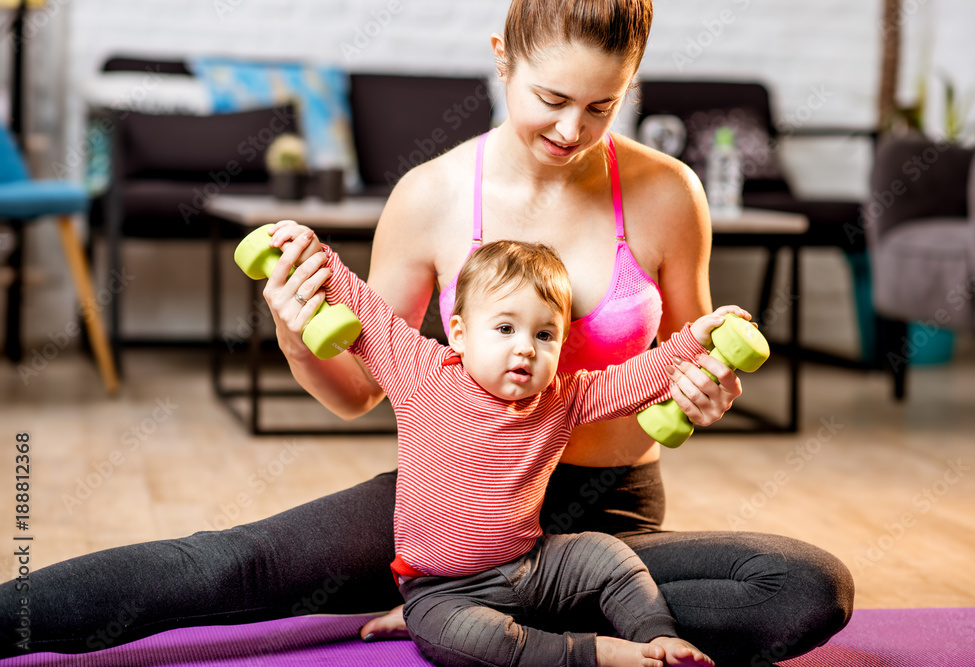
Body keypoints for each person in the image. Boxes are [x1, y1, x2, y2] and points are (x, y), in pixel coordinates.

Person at [0, 1, 852, 665]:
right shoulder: (432, 196)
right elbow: (359, 389)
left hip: (609, 521)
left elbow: (684, 357)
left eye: (602, 106)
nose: (571, 130)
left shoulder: (670, 194)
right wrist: (299, 333)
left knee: (806, 587)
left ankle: (478, 621)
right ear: (500, 59)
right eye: (551, 98)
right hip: (446, 512)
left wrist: (706, 391)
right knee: (230, 565)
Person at [314, 236, 719, 666]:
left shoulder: (562, 398)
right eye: (505, 328)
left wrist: (694, 338)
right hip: (442, 590)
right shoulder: (422, 374)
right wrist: (315, 255)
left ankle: (659, 637)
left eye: (545, 334)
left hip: (534, 568)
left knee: (608, 554)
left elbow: (633, 378)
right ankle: (593, 654)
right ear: (460, 335)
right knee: (461, 637)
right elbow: (370, 313)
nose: (526, 346)